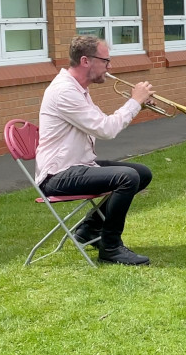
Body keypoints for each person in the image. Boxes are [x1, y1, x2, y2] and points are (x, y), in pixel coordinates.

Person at [36, 35, 155, 266]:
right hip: (57, 175)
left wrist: (136, 104)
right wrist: (134, 102)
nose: (109, 67)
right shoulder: (64, 91)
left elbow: (100, 122)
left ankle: (89, 229)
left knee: (141, 173)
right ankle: (111, 247)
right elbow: (106, 129)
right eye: (105, 61)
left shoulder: (78, 89)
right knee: (127, 177)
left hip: (78, 165)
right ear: (85, 61)